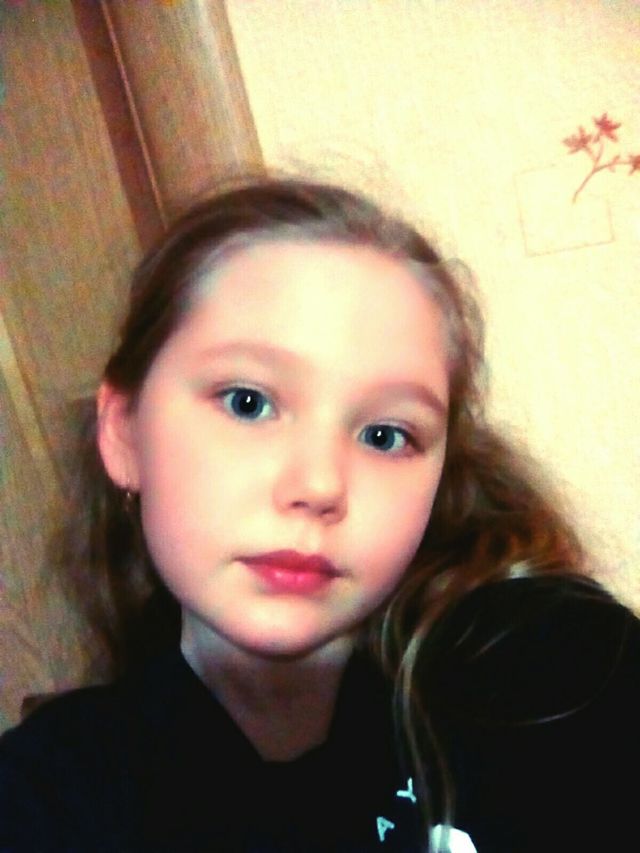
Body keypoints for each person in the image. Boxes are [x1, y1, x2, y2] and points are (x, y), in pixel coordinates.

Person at [0, 175, 638, 852]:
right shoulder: (46, 795)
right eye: (248, 402)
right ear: (125, 432)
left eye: (385, 435)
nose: (319, 484)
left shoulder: (559, 672)